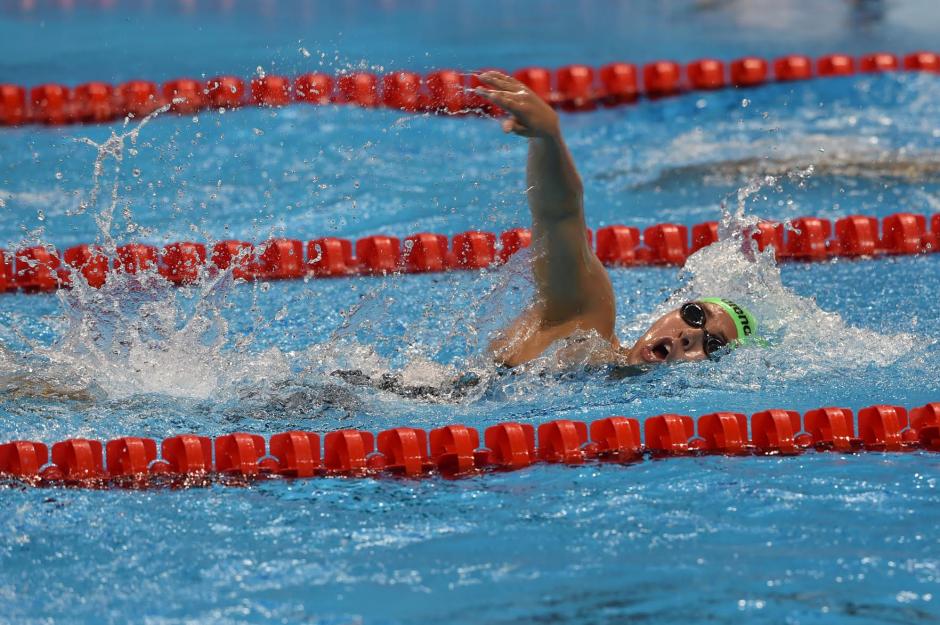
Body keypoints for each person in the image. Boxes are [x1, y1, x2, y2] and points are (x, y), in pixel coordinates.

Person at [474, 71, 759, 368]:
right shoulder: (584, 326)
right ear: (671, 312)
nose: (690, 335)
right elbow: (560, 215)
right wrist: (548, 138)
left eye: (713, 345)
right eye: (694, 315)